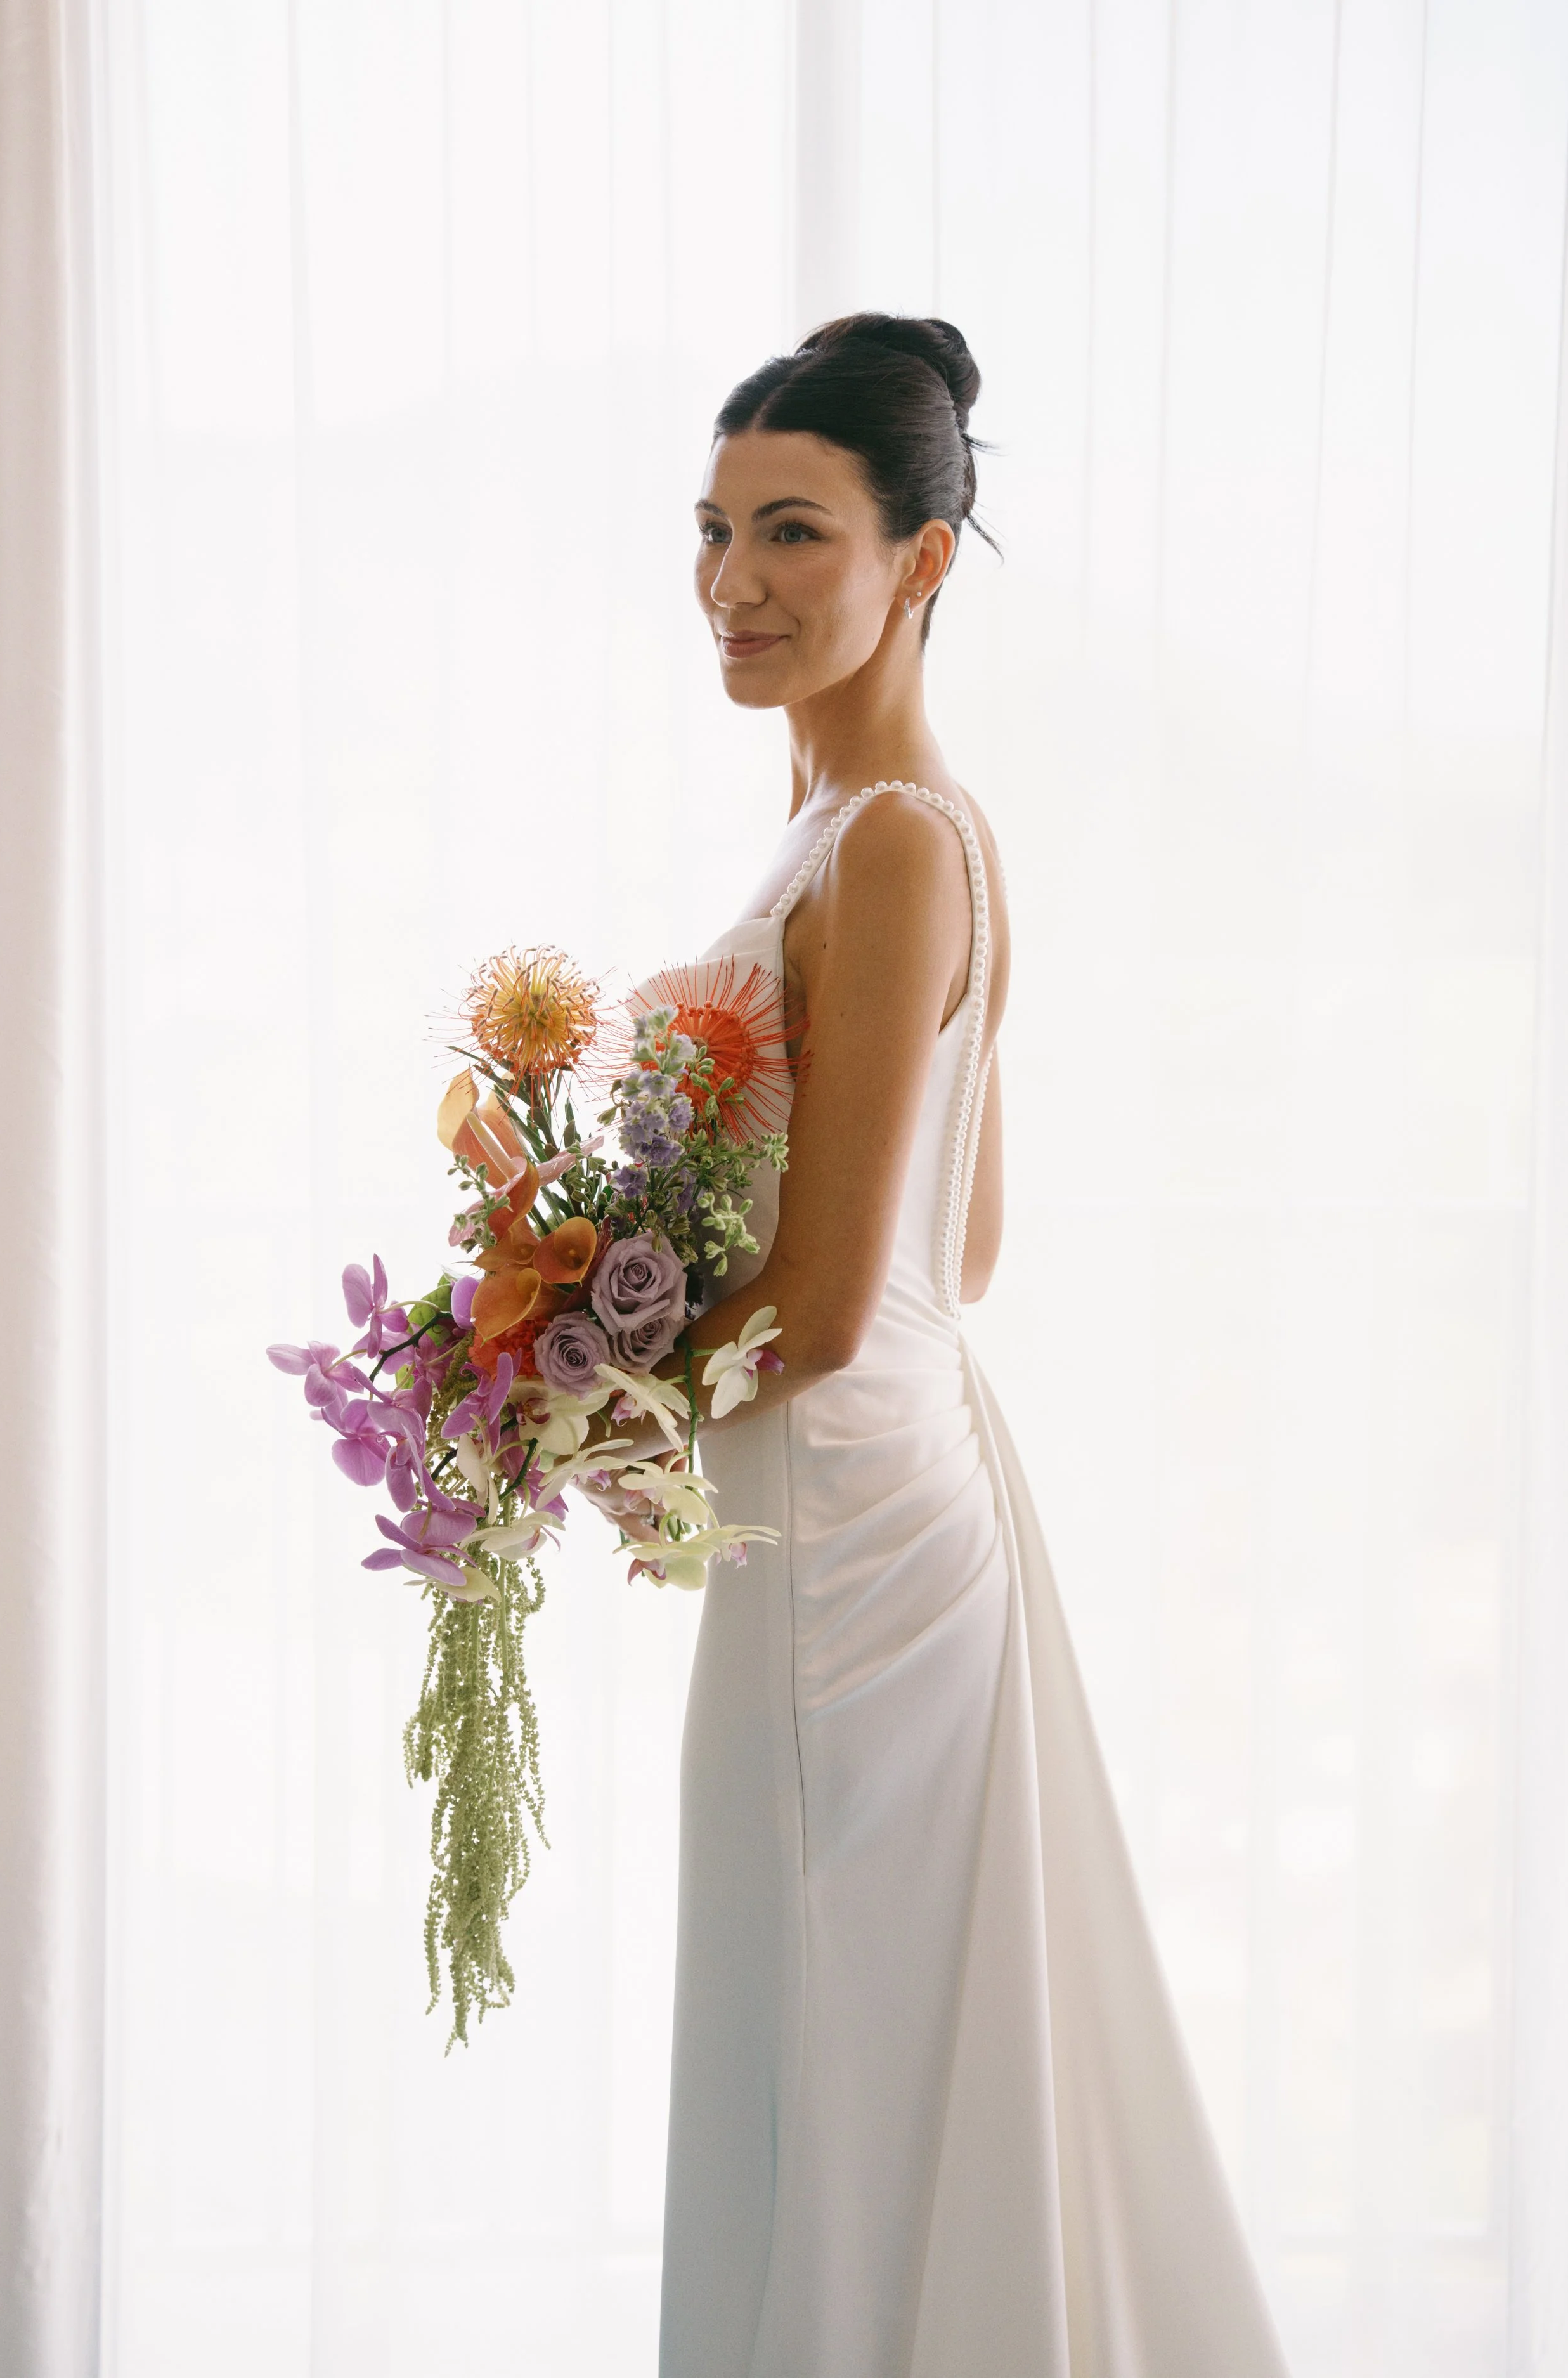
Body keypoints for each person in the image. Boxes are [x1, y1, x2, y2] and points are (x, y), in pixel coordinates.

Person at [632, 314, 1291, 2378]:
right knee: (837, 2007)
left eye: (795, 532)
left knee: (832, 2018)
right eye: (716, 528)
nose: (735, 580)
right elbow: (965, 1244)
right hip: (867, 1492)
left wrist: (566, 1386)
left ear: (921, 562)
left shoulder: (898, 841)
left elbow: (833, 1313)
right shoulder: (891, 829)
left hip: (846, 1520)